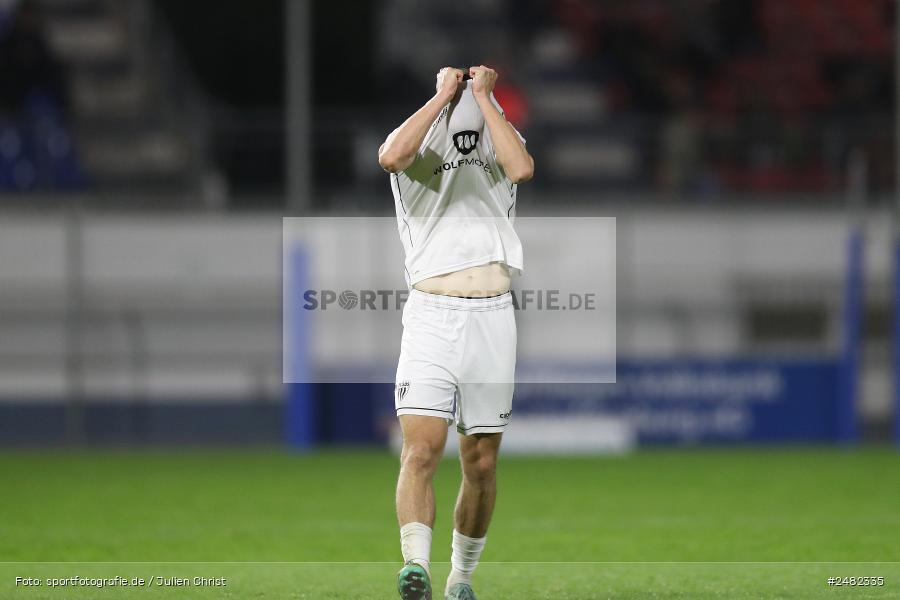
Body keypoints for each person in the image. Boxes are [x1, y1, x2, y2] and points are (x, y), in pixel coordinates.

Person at [378, 65, 533, 600]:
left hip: (492, 316)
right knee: (420, 450)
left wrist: (485, 99)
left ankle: (460, 579)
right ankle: (414, 566)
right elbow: (390, 157)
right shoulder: (415, 156)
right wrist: (444, 94)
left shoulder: (497, 147)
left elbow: (523, 168)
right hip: (431, 316)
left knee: (481, 462)